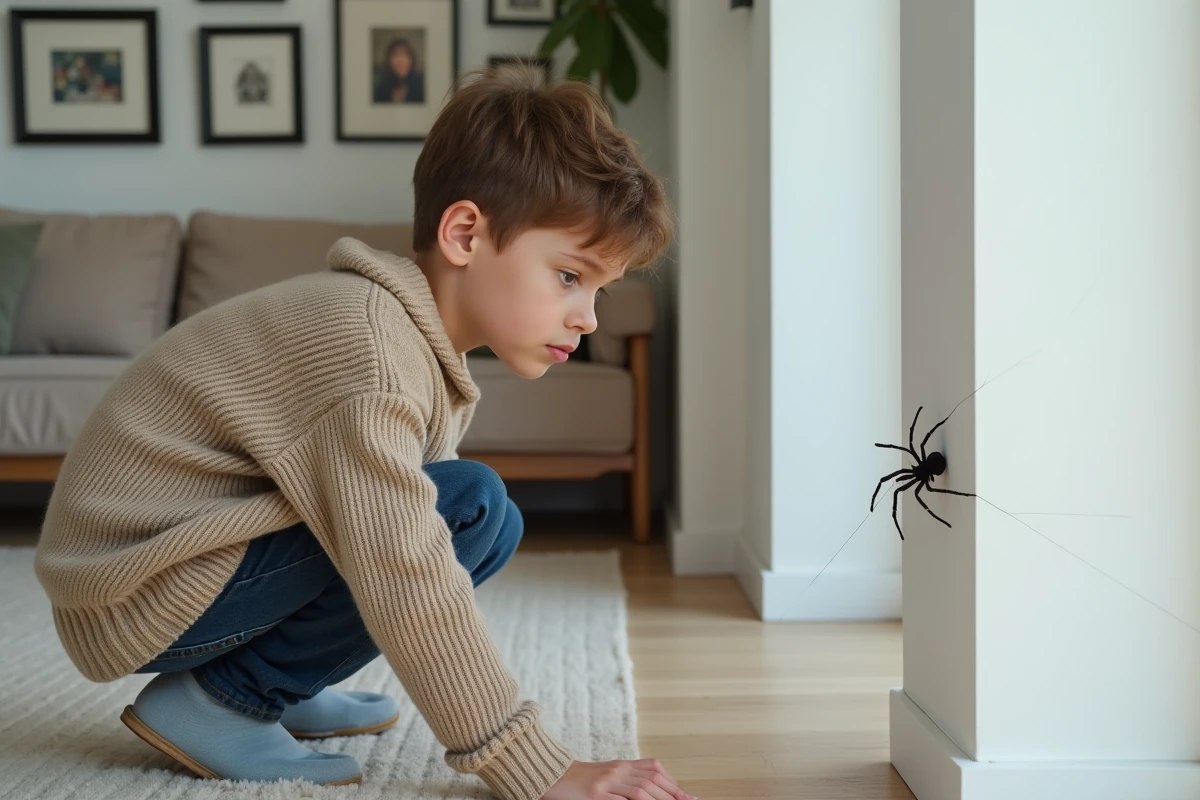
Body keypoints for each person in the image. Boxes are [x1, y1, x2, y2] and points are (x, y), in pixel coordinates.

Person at [32, 63, 687, 800]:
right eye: (570, 276)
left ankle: (276, 677)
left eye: (601, 289)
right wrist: (531, 764)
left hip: (176, 560)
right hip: (130, 591)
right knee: (463, 506)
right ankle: (222, 700)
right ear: (466, 233)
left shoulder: (406, 338)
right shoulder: (372, 352)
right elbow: (403, 569)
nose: (588, 316)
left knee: (482, 517)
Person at [374, 37, 425, 104]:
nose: (400, 61)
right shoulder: (380, 89)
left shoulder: (422, 86)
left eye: (405, 55)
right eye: (395, 55)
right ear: (388, 60)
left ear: (412, 59)